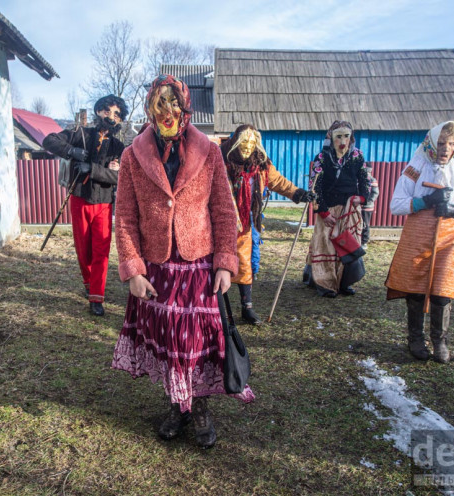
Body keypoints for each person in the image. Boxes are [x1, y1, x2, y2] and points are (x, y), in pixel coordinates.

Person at [111, 75, 254, 449]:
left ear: (185, 107)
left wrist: (225, 262)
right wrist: (133, 269)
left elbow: (224, 209)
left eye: (173, 104)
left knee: (199, 341)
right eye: (160, 104)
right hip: (156, 267)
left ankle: (201, 407)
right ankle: (177, 405)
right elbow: (124, 216)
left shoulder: (209, 151)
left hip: (199, 265)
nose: (168, 112)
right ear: (149, 109)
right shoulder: (132, 156)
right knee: (167, 339)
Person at [385, 121, 454, 364]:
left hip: (446, 236)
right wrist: (425, 201)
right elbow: (395, 204)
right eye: (441, 143)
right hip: (418, 234)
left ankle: (440, 340)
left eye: (451, 143)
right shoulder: (416, 168)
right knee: (415, 287)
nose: (446, 148)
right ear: (431, 143)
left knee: (443, 288)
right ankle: (415, 338)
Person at [42, 95, 128, 316]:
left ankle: (96, 297)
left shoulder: (119, 147)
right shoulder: (80, 134)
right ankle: (89, 283)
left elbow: (120, 177)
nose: (111, 116)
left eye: (117, 114)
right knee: (83, 249)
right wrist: (72, 152)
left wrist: (92, 169)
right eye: (107, 111)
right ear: (98, 111)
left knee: (102, 249)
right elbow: (49, 141)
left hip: (104, 203)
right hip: (79, 198)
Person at [221, 124, 314, 325]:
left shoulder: (261, 165)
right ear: (236, 142)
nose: (247, 147)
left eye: (251, 143)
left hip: (247, 223)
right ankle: (219, 310)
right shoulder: (222, 161)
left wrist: (299, 193)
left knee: (246, 264)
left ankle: (247, 307)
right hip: (221, 223)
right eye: (244, 142)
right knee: (219, 264)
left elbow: (279, 182)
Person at [302, 120, 370, 297]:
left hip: (349, 209)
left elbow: (364, 179)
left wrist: (362, 197)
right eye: (338, 136)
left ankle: (344, 282)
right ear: (331, 138)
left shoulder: (357, 156)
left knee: (347, 244)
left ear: (351, 138)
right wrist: (323, 212)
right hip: (328, 208)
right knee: (326, 245)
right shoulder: (322, 158)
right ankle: (325, 283)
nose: (342, 140)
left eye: (346, 136)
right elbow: (315, 186)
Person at [361, 171, 379, 251]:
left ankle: (364, 242)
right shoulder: (360, 178)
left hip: (367, 207)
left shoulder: (372, 180)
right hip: (359, 206)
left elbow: (375, 193)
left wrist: (368, 201)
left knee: (365, 224)